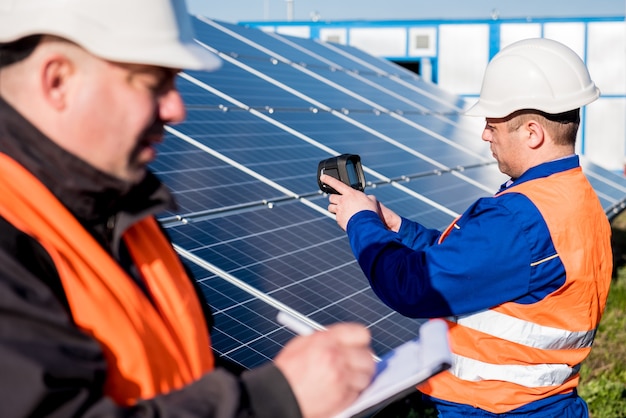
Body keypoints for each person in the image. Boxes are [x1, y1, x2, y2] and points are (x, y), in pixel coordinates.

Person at [0, 0, 376, 417]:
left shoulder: (124, 215)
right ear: (58, 82)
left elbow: (180, 376)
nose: (177, 110)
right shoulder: (11, 235)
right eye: (151, 83)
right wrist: (270, 401)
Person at [322, 37, 612, 417]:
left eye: (493, 125)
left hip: (496, 409)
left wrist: (360, 221)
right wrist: (396, 227)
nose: (484, 135)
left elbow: (411, 288)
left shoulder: (520, 221)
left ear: (531, 133)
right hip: (544, 405)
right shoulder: (574, 200)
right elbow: (475, 266)